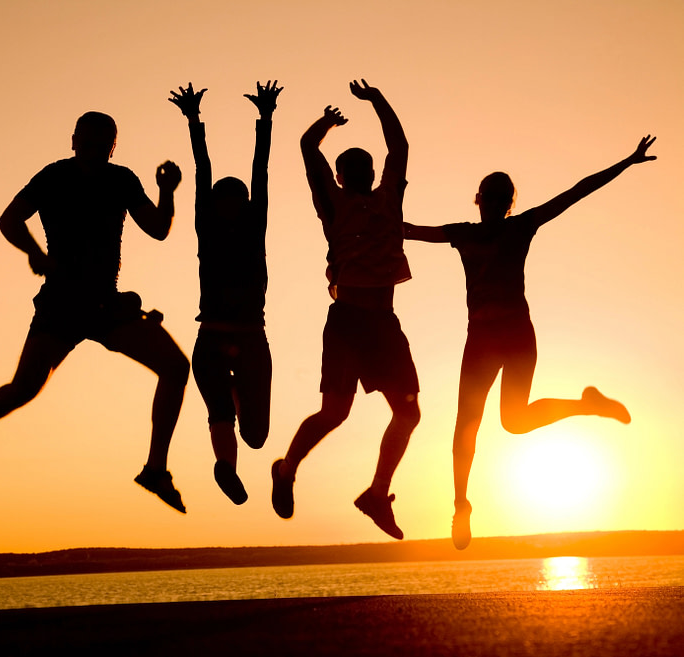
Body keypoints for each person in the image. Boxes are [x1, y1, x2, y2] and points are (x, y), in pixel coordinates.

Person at [404, 135, 656, 550]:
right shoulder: (475, 232)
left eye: (496, 197)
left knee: (481, 423)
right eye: (491, 196)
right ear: (483, 199)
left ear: (494, 201)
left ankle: (462, 503)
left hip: (504, 336)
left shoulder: (492, 230)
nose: (491, 202)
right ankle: (463, 505)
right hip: (500, 336)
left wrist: (625, 163)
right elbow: (407, 231)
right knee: (498, 422)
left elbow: (577, 192)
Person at [0, 111, 190, 513]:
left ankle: (155, 469)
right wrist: (36, 252)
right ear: (74, 140)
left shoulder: (122, 180)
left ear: (113, 147)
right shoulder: (53, 176)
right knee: (24, 388)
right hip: (62, 302)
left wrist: (167, 190)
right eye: (86, 142)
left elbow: (159, 228)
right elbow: (8, 220)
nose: (93, 150)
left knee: (176, 367)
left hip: (106, 303)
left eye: (102, 144)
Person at [271, 80, 420, 539]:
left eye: (366, 165)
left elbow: (400, 145)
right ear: (339, 177)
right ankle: (287, 467)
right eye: (350, 167)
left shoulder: (388, 198)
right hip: (349, 322)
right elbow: (305, 146)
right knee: (336, 412)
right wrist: (325, 125)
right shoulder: (333, 204)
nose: (361, 171)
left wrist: (378, 99)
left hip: (384, 322)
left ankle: (376, 495)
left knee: (409, 412)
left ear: (373, 171)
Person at [168, 80, 281, 505]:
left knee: (247, 433)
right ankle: (227, 469)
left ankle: (230, 457)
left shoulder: (241, 225)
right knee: (228, 420)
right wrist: (196, 122)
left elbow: (251, 172)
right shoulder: (218, 225)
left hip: (235, 339)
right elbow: (213, 173)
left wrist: (264, 121)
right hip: (228, 338)